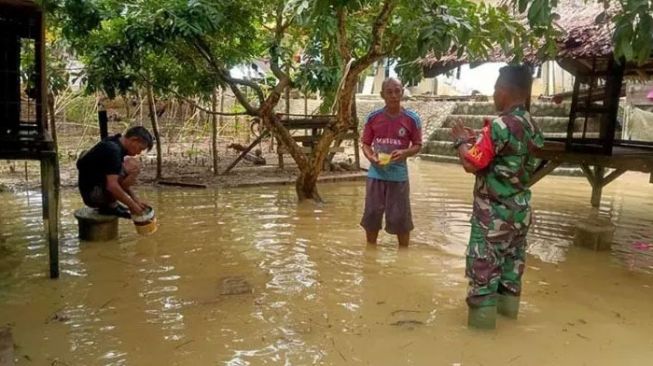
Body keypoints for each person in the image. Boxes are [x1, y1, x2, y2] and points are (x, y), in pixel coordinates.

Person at [450, 65, 544, 329]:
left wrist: (460, 142)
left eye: (494, 89)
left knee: (483, 279)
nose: (493, 94)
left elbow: (471, 163)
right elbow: (508, 151)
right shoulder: (531, 124)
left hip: (492, 218)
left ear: (504, 91)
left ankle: (481, 343)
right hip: (520, 215)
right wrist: (479, 137)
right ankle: (509, 327)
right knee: (510, 276)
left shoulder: (499, 126)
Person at [360, 78, 422, 248]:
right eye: (389, 92)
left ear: (402, 92)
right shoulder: (373, 118)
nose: (394, 96)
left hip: (399, 176)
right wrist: (371, 157)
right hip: (375, 174)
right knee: (372, 215)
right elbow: (365, 143)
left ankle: (403, 255)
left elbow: (417, 145)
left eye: (397, 91)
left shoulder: (412, 119)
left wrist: (404, 152)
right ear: (382, 95)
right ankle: (370, 251)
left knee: (401, 218)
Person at [77, 126, 154, 219]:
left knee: (126, 169)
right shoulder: (113, 150)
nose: (139, 152)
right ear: (134, 140)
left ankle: (111, 204)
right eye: (140, 148)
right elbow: (112, 186)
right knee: (131, 168)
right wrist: (133, 206)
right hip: (93, 196)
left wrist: (135, 200)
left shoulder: (115, 142)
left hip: (93, 189)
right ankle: (110, 206)